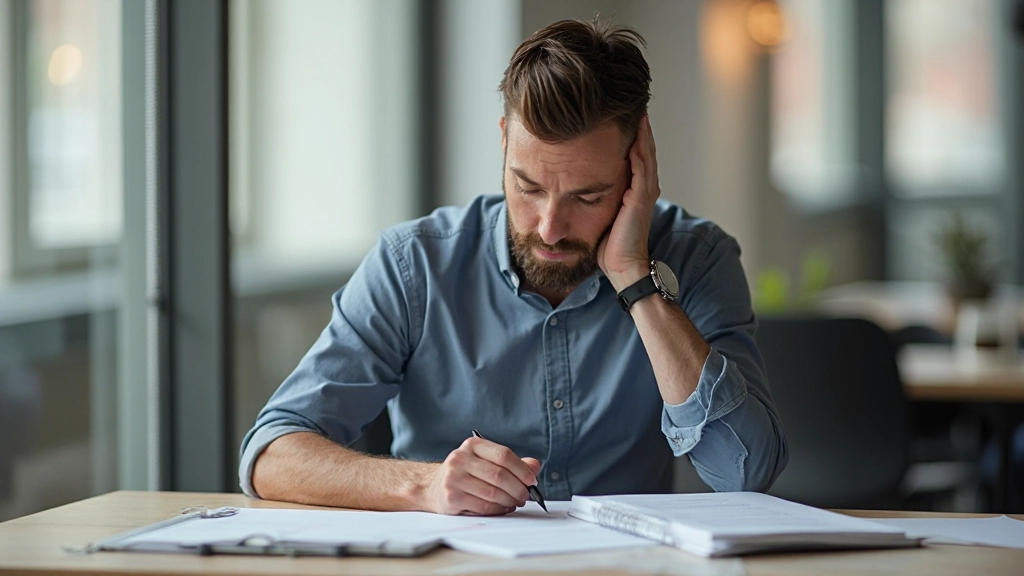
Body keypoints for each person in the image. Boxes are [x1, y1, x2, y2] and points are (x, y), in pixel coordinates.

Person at [240, 18, 787, 516]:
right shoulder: (413, 265)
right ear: (504, 141)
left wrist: (636, 280)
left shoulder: (697, 258)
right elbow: (272, 454)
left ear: (635, 168)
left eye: (589, 196)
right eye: (528, 187)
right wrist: (424, 486)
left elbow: (744, 471)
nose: (550, 227)